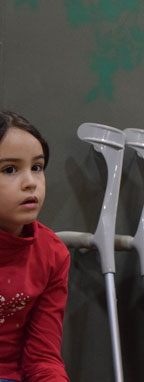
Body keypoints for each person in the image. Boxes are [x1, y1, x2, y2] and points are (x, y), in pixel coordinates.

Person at [0, 111, 70, 382]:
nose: (31, 182)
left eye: (37, 167)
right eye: (9, 169)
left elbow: (43, 357)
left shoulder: (53, 254)